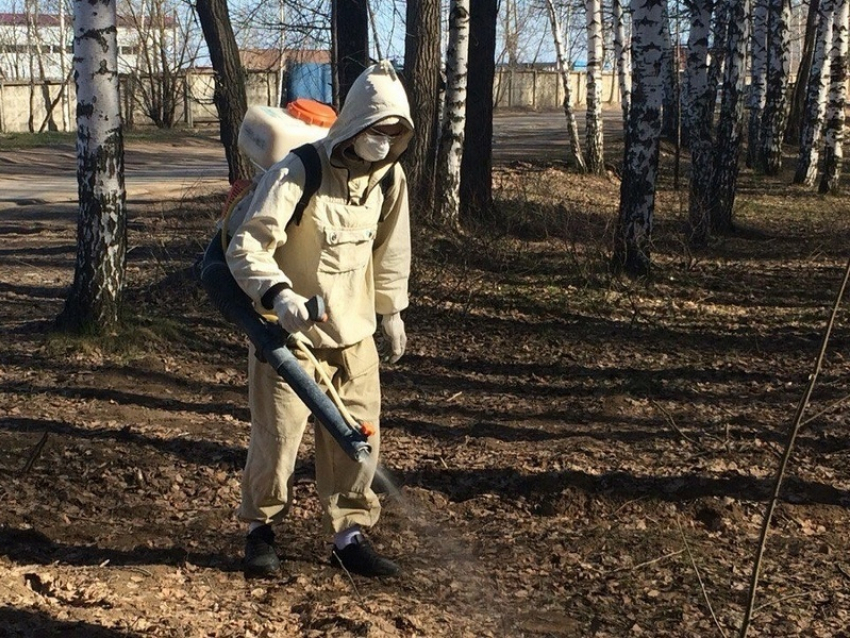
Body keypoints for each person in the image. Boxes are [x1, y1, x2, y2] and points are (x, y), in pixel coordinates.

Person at [225, 60, 413, 579]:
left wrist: (392, 310)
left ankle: (349, 537)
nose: (384, 141)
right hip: (290, 338)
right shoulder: (299, 170)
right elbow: (248, 245)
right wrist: (278, 294)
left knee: (358, 440)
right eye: (377, 130)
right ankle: (260, 531)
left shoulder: (389, 180)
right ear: (356, 124)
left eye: (394, 133)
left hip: (354, 337)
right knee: (277, 438)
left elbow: (391, 248)